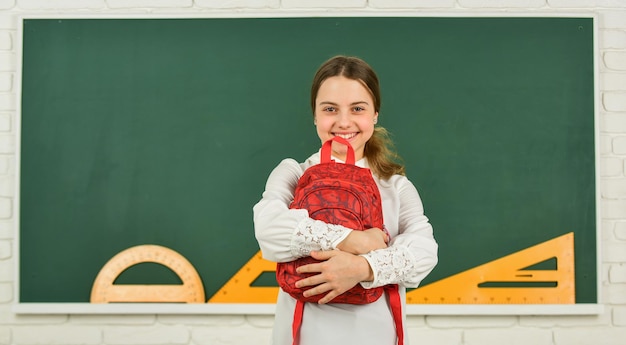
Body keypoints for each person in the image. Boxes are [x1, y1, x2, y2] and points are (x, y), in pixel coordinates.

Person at [253, 55, 438, 345]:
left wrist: (361, 269)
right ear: (314, 115)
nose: (343, 121)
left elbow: (425, 252)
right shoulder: (294, 173)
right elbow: (269, 229)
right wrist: (355, 241)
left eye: (358, 109)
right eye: (329, 109)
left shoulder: (396, 187)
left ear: (375, 114)